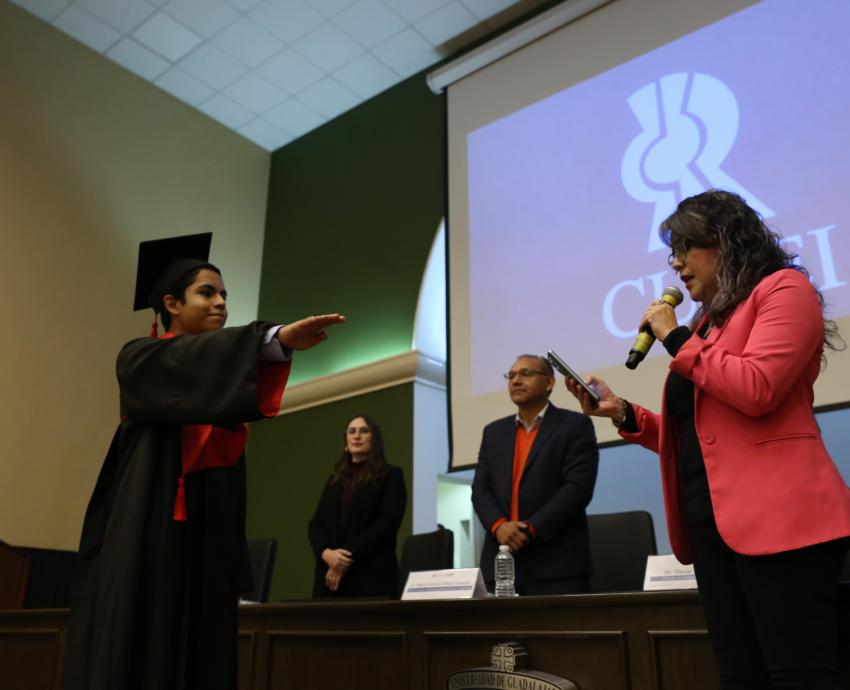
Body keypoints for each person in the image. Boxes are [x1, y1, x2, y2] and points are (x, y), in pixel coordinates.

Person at [566, 190, 850, 690]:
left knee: (800, 676)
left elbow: (756, 389)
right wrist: (623, 411)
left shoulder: (783, 291)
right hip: (711, 525)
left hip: (782, 521)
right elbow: (702, 433)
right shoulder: (707, 324)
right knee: (740, 676)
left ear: (723, 241)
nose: (675, 264)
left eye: (684, 249)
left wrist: (676, 338)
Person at [64, 233, 345, 690]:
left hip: (206, 544)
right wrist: (273, 339)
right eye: (207, 293)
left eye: (224, 295)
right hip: (149, 536)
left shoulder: (222, 385)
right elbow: (189, 364)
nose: (221, 304)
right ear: (171, 303)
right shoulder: (139, 358)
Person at [471, 354, 599, 595]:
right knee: (501, 634)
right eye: (511, 376)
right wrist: (499, 526)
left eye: (525, 374)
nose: (516, 381)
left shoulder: (575, 425)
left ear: (550, 382)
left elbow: (577, 488)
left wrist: (530, 528)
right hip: (500, 565)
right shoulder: (493, 432)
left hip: (558, 565)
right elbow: (480, 489)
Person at [308, 414, 407, 598]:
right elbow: (315, 524)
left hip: (369, 577)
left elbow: (386, 525)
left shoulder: (391, 476)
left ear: (374, 439)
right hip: (329, 577)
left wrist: (343, 559)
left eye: (364, 431)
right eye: (351, 431)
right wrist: (326, 553)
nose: (357, 436)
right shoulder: (334, 481)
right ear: (346, 440)